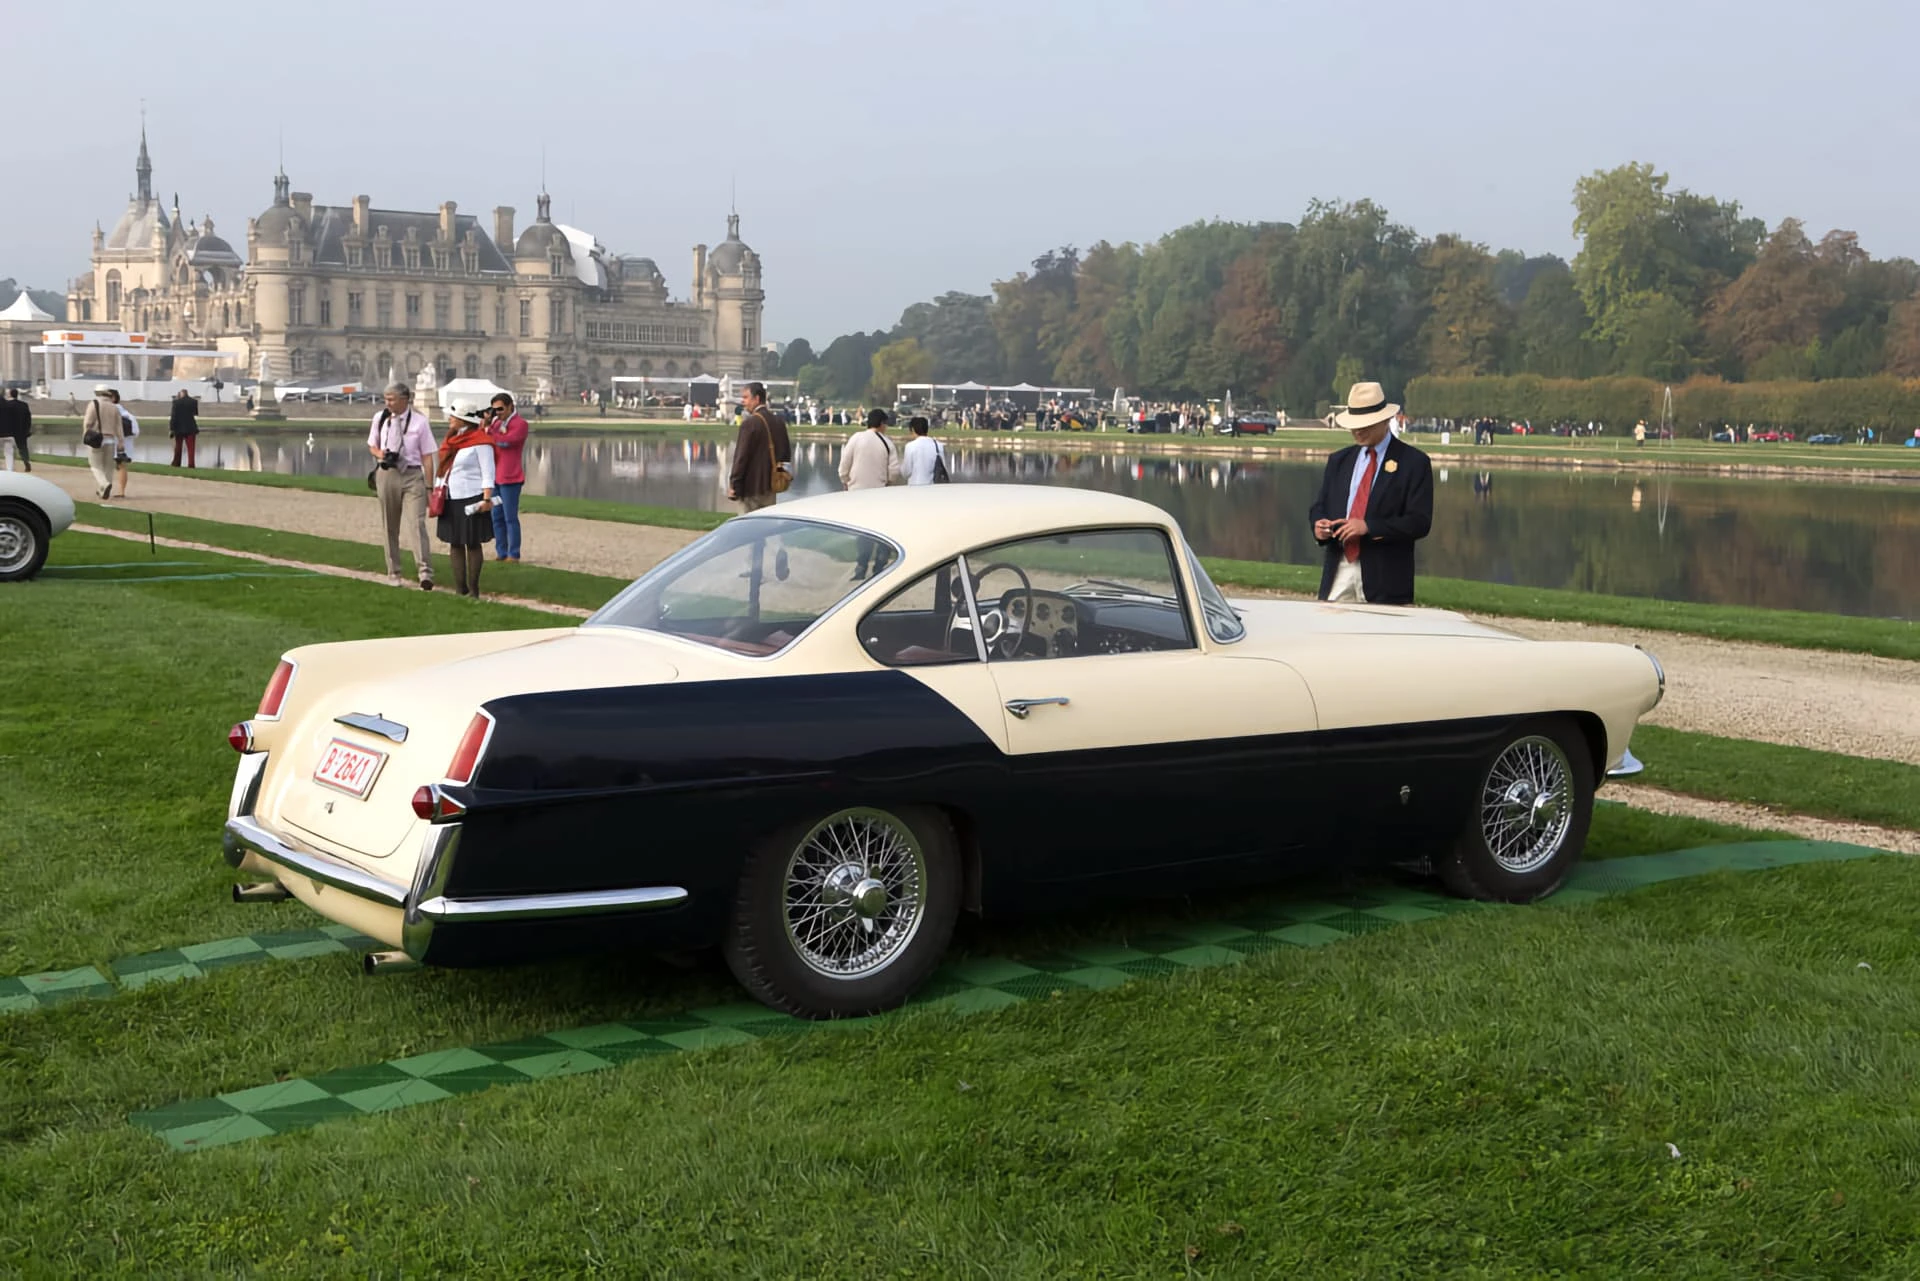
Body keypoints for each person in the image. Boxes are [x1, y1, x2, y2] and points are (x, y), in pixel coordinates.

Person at [1309, 381, 1433, 605]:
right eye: (1354, 424)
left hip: (1386, 578)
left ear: (1385, 420)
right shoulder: (1339, 461)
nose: (1358, 430)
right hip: (1339, 572)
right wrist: (1319, 526)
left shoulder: (1414, 463)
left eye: (1365, 424)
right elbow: (1320, 506)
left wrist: (1369, 527)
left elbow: (1419, 522)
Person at [367, 382, 438, 590]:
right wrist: (381, 454)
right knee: (390, 524)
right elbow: (372, 445)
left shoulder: (420, 422)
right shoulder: (380, 419)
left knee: (417, 523)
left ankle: (425, 572)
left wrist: (429, 486)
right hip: (387, 473)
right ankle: (394, 571)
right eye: (386, 399)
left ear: (405, 399)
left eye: (391, 399)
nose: (387, 403)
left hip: (412, 474)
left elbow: (427, 456)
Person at [435, 402, 498, 599]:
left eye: (453, 416)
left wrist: (487, 499)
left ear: (464, 420)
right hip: (452, 495)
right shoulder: (452, 439)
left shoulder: (481, 441)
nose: (449, 419)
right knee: (454, 542)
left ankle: (473, 589)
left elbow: (488, 473)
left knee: (471, 543)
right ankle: (459, 588)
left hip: (472, 495)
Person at [726, 381, 792, 512]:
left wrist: (734, 484)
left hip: (750, 487)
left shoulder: (750, 424)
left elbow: (741, 458)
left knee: (746, 528)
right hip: (771, 486)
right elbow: (786, 455)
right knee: (766, 528)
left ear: (756, 399)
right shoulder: (778, 422)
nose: (743, 401)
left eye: (746, 397)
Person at [485, 392, 529, 562]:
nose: (498, 413)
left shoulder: (520, 424)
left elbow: (506, 442)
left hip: (511, 478)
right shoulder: (496, 424)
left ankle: (514, 553)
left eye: (500, 409)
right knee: (496, 517)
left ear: (510, 406)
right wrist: (487, 427)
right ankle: (501, 552)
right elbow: (486, 439)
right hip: (496, 477)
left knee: (510, 517)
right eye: (495, 410)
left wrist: (490, 433)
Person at [839, 408, 900, 491]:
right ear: (882, 423)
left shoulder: (856, 438)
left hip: (855, 490)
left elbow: (844, 464)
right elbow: (894, 471)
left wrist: (845, 481)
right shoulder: (887, 443)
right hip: (878, 491)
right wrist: (888, 483)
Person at [81, 386, 122, 498]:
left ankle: (104, 484)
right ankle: (102, 490)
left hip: (97, 438)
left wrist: (85, 435)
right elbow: (119, 427)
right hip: (111, 439)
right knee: (108, 466)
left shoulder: (94, 404)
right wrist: (121, 441)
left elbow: (88, 423)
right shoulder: (114, 407)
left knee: (95, 465)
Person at [108, 390, 137, 498]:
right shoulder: (127, 413)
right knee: (121, 466)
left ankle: (107, 488)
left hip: (114, 442)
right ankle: (121, 491)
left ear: (114, 398)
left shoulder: (113, 411)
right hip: (124, 443)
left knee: (114, 466)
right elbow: (135, 431)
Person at [901, 415, 944, 486]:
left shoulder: (910, 446)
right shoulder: (938, 445)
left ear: (913, 429)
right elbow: (942, 468)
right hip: (933, 487)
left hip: (914, 486)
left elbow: (906, 472)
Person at [0, 388, 30, 472]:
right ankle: (10, 470)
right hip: (10, 433)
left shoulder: (10, 404)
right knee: (9, 453)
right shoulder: (9, 405)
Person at [168, 388, 200, 467]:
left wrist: (171, 428)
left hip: (179, 427)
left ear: (181, 394)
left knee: (178, 447)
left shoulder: (176, 402)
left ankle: (176, 463)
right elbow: (195, 413)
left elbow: (173, 416)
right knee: (191, 448)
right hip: (190, 427)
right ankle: (191, 464)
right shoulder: (193, 402)